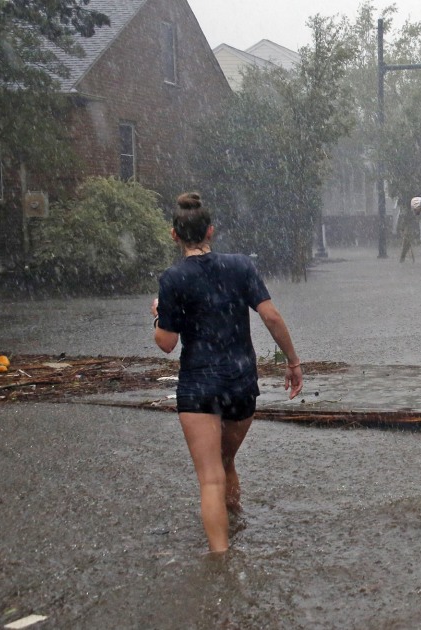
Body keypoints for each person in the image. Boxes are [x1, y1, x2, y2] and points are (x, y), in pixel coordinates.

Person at [152, 192, 303, 553]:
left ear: (174, 236)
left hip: (199, 386)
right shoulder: (240, 267)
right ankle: (236, 521)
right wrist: (293, 362)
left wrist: (159, 312)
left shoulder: (173, 279)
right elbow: (271, 316)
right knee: (226, 459)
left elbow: (166, 343)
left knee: (210, 481)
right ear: (211, 231)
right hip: (240, 383)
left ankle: (221, 563)